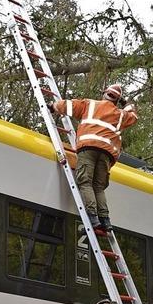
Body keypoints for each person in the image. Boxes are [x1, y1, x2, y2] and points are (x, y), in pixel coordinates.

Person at [49, 84, 138, 231]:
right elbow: (133, 116)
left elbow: (67, 105)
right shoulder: (120, 115)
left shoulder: (89, 105)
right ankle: (105, 220)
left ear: (104, 94)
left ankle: (93, 217)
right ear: (116, 100)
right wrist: (125, 102)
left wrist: (53, 106)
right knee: (99, 187)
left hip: (88, 148)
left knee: (85, 182)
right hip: (107, 154)